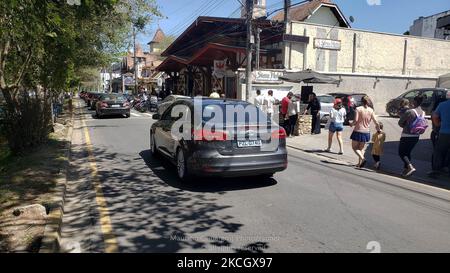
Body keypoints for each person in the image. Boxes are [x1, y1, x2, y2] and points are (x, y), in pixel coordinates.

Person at [398, 95, 425, 177]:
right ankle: (405, 170)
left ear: (414, 102)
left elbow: (400, 123)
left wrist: (405, 125)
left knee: (401, 153)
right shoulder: (423, 112)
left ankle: (410, 167)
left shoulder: (410, 112)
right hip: (416, 136)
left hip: (406, 135)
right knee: (408, 152)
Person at [350, 95, 380, 168]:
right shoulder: (371, 110)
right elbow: (376, 121)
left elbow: (356, 120)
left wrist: (351, 124)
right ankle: (359, 163)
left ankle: (363, 159)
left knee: (355, 148)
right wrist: (378, 129)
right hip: (366, 132)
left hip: (358, 130)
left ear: (361, 101)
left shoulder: (358, 109)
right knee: (361, 148)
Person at [430, 98, 450, 178]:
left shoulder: (443, 104)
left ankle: (436, 170)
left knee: (439, 151)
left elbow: (435, 116)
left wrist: (437, 124)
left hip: (445, 132)